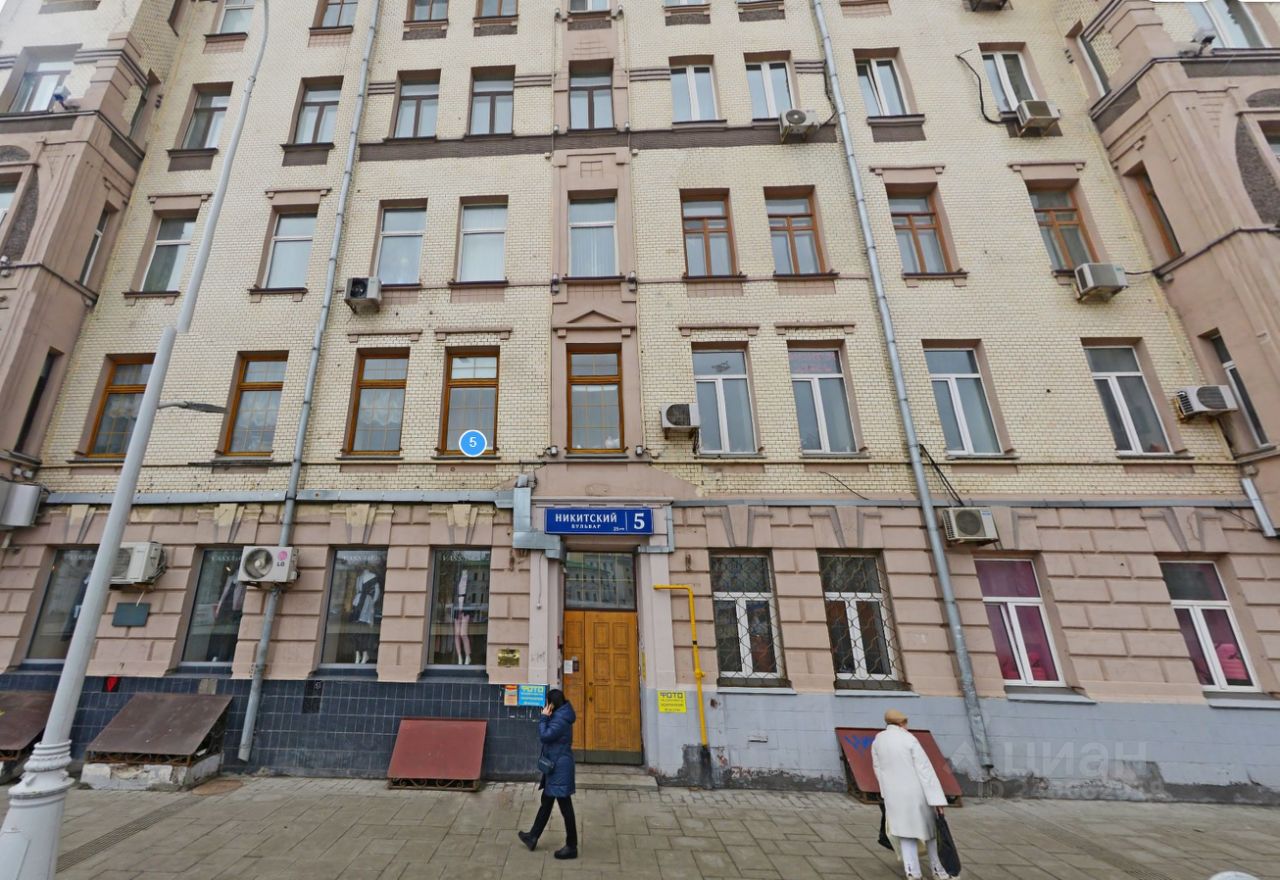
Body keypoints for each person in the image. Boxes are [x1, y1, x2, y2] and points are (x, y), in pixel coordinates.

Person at [871, 709, 951, 880]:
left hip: (894, 795)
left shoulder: (879, 740)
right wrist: (937, 800)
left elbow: (878, 768)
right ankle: (939, 871)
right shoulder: (909, 739)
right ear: (902, 723)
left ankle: (913, 872)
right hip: (917, 794)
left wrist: (886, 792)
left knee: (905, 834)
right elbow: (925, 771)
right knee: (931, 833)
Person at [518, 689, 578, 860]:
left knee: (565, 808)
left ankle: (572, 846)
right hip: (556, 766)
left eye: (547, 702)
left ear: (552, 704)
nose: (546, 705)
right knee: (546, 802)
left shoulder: (560, 720)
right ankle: (532, 836)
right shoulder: (561, 715)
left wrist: (544, 717)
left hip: (559, 768)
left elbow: (545, 736)